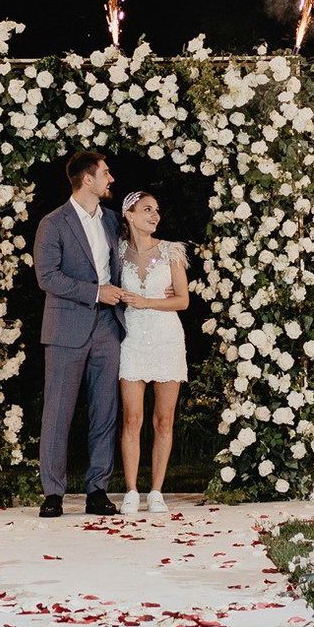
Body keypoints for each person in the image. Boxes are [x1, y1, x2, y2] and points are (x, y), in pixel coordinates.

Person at [34, 150, 125, 517]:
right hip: (66, 327)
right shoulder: (52, 223)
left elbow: (131, 262)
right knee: (58, 411)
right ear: (87, 179)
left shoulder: (112, 221)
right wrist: (94, 292)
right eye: (106, 173)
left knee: (105, 410)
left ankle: (97, 490)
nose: (110, 179)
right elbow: (48, 277)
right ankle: (53, 493)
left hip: (107, 326)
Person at [113, 190, 189, 513]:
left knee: (164, 420)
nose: (154, 216)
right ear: (129, 215)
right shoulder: (116, 253)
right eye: (147, 209)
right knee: (132, 418)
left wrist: (148, 302)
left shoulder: (171, 252)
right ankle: (131, 490)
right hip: (132, 341)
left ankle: (156, 490)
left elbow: (182, 300)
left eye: (156, 210)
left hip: (167, 339)